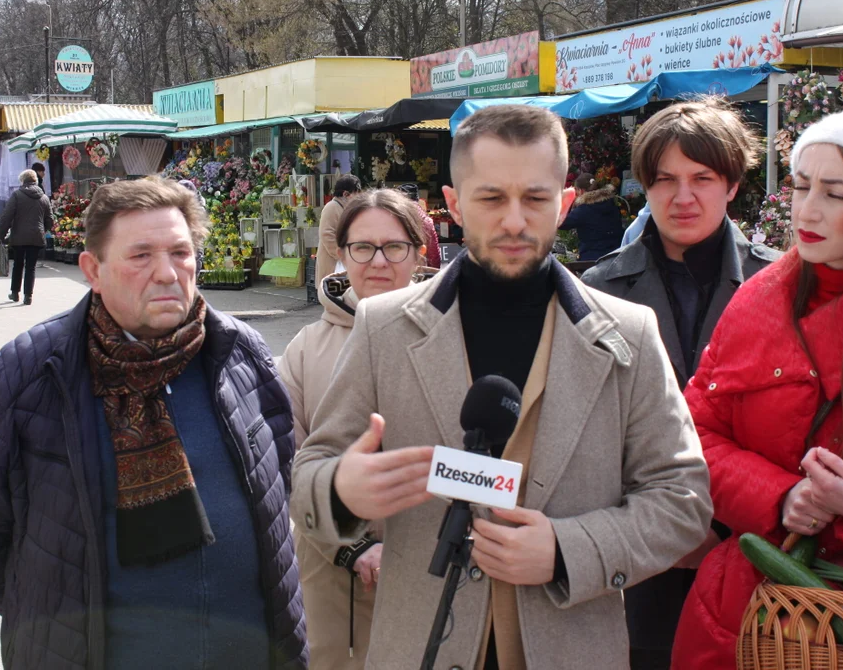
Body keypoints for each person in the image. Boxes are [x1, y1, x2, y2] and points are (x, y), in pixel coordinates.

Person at [292, 104, 712, 670]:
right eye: (491, 198)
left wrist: (568, 551)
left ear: (564, 204)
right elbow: (309, 476)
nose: (515, 221)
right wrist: (343, 491)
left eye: (535, 199)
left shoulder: (629, 337)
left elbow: (682, 502)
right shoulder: (384, 329)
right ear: (455, 204)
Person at [0, 177, 306, 670]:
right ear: (93, 268)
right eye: (140, 256)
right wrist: (51, 608)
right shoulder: (25, 375)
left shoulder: (239, 354)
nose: (167, 273)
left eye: (180, 252)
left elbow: (278, 482)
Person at [671, 108, 843, 669]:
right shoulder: (754, 301)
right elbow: (693, 431)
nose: (807, 210)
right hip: (750, 604)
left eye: (835, 193)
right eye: (799, 186)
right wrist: (780, 497)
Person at [580, 99, 780, 670]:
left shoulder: (778, 284)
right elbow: (591, 428)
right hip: (639, 560)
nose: (682, 197)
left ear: (733, 185)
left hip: (753, 553)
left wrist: (721, 527)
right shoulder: (601, 289)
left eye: (702, 178)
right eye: (664, 179)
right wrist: (662, 531)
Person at [280, 189, 437, 670]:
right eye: (361, 248)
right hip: (333, 582)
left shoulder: (455, 340)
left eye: (394, 247)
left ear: (419, 253)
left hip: (431, 570)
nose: (378, 262)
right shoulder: (307, 348)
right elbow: (285, 462)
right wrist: (353, 548)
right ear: (341, 254)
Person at [0, 169, 53, 305]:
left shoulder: (17, 195)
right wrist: (42, 230)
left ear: (23, 181)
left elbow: (7, 216)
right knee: (31, 267)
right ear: (36, 180)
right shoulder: (44, 197)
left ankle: (15, 293)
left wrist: (1, 234)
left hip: (19, 236)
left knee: (18, 264)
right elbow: (50, 219)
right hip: (36, 236)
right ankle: (28, 296)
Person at [560, 173, 623, 261]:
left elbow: (560, 223)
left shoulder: (583, 210)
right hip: (616, 256)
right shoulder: (611, 204)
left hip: (592, 260)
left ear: (581, 191)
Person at [316, 174, 361, 283]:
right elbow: (327, 235)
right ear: (346, 194)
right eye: (357, 194)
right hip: (334, 262)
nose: (359, 198)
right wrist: (343, 255)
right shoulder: (331, 207)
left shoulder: (344, 208)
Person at [395, 183, 442, 269]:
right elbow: (434, 253)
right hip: (420, 273)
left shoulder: (394, 218)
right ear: (417, 199)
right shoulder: (426, 221)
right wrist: (434, 274)